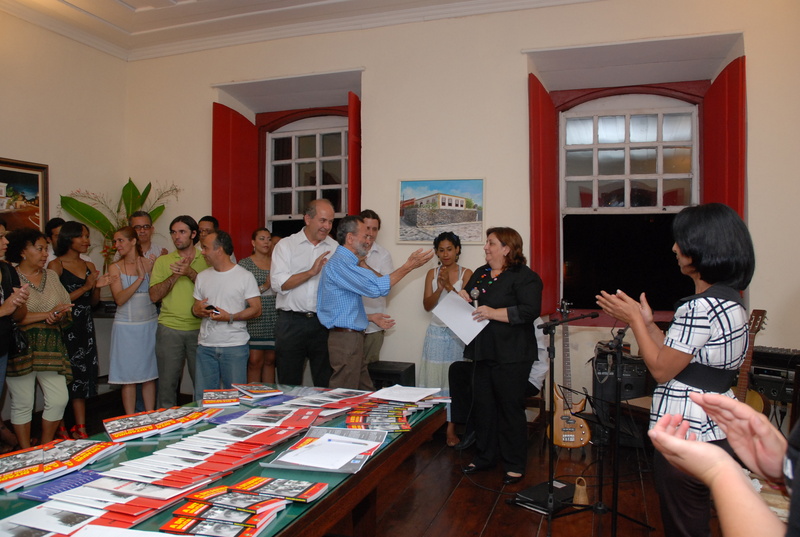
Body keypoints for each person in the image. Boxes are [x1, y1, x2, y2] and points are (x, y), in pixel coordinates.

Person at [595, 202, 755, 537]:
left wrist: (634, 320)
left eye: (681, 241)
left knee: (684, 525)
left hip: (686, 427)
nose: (674, 248)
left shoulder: (699, 307)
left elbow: (660, 368)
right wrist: (648, 324)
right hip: (715, 424)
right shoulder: (730, 300)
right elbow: (679, 354)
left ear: (703, 248)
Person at [459, 227, 542, 485]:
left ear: (506, 248)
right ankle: (485, 456)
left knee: (509, 409)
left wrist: (493, 313)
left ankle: (514, 463)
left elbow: (529, 311)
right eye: (486, 243)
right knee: (483, 407)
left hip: (512, 354)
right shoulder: (481, 273)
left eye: (491, 243)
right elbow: (470, 300)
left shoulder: (525, 277)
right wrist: (462, 297)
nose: (486, 247)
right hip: (482, 351)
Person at [317, 215, 433, 390]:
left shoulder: (349, 263)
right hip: (346, 340)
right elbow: (376, 288)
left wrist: (369, 317)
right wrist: (408, 266)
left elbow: (343, 306)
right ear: (350, 238)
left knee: (365, 392)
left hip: (352, 337)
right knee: (344, 395)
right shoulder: (340, 264)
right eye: (365, 236)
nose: (368, 241)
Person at [6, 228, 73, 448]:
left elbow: (65, 306)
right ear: (23, 251)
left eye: (47, 249)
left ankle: (45, 446)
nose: (45, 254)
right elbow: (12, 316)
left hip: (50, 348)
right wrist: (47, 314)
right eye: (40, 249)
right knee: (23, 402)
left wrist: (59, 314)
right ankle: (26, 452)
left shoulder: (51, 276)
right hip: (20, 348)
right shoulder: (10, 276)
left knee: (59, 399)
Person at [48, 221, 110, 439]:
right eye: (81, 236)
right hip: (63, 326)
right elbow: (56, 302)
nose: (86, 241)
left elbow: (92, 302)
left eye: (87, 236)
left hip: (84, 324)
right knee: (62, 377)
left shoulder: (89, 265)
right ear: (69, 238)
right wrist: (85, 286)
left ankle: (81, 427)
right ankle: (61, 427)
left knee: (82, 375)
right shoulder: (55, 265)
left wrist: (96, 288)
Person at [449, 317, 550, 451]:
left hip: (526, 378)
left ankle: (481, 430)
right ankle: (470, 424)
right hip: (498, 371)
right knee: (458, 370)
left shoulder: (532, 319)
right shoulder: (494, 317)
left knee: (490, 381)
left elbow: (540, 359)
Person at [270, 199, 338, 387]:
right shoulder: (286, 245)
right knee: (288, 383)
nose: (327, 226)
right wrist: (311, 272)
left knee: (325, 383)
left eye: (330, 222)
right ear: (308, 219)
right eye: (323, 220)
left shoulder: (335, 248)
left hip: (323, 323)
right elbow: (278, 284)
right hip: (291, 323)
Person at [191, 230, 261, 400]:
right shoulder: (202, 277)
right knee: (203, 400)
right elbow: (195, 307)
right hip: (205, 347)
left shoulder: (244, 276)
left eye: (206, 248)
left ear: (219, 249)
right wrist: (197, 310)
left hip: (234, 347)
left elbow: (256, 309)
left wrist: (229, 317)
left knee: (235, 399)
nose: (202, 252)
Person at [149, 215, 209, 408]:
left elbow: (214, 294)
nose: (177, 236)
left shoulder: (206, 258)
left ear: (193, 234)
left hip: (201, 329)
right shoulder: (163, 261)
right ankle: (166, 424)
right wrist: (175, 275)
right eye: (173, 232)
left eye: (182, 232)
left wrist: (189, 272)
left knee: (203, 386)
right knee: (167, 386)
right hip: (169, 329)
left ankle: (203, 422)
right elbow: (154, 296)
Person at [419, 231, 473, 447]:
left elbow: (467, 307)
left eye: (449, 249)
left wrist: (449, 286)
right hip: (435, 332)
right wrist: (439, 287)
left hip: (457, 334)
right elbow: (427, 306)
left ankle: (451, 428)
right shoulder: (431, 273)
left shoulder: (467, 273)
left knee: (453, 383)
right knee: (433, 380)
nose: (445, 254)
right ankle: (429, 425)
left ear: (457, 250)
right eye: (441, 250)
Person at [107, 226, 158, 414]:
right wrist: (140, 278)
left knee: (149, 374)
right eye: (115, 241)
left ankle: (150, 415)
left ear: (133, 241)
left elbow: (155, 294)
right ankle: (130, 418)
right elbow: (119, 299)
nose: (117, 245)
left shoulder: (149, 263)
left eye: (120, 240)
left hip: (148, 325)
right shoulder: (115, 267)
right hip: (126, 328)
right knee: (127, 377)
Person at [0, 219, 29, 452]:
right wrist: (4, 309)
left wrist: (19, 302)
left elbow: (19, 316)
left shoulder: (7, 270)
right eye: (0, 237)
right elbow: (5, 310)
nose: (6, 241)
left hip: (2, 347)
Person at [238, 227, 278, 383]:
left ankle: (269, 395)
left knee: (270, 360)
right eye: (262, 239)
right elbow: (240, 294)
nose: (266, 242)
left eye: (269, 239)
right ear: (253, 242)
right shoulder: (245, 264)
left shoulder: (277, 263)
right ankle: (251, 394)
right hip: (255, 317)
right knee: (255, 361)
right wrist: (265, 286)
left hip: (274, 316)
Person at [359, 210, 394, 363]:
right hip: (348, 325)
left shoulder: (383, 255)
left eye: (375, 229)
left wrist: (365, 266)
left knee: (370, 372)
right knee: (347, 371)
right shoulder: (346, 251)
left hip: (374, 327)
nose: (371, 233)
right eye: (367, 228)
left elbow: (387, 287)